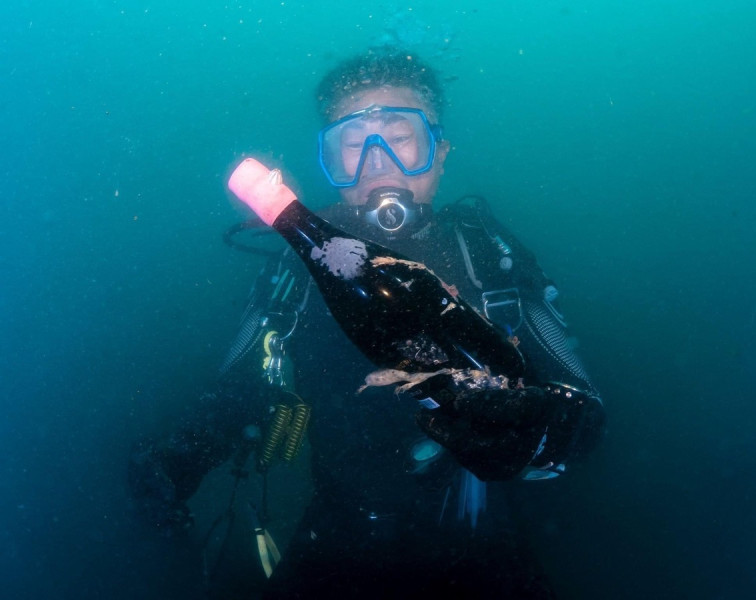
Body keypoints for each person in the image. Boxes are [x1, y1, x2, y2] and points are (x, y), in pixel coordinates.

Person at [129, 49, 605, 599]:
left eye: (401, 137)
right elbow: (238, 387)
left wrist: (550, 431)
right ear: (328, 162)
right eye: (353, 145)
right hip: (341, 535)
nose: (377, 164)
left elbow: (580, 403)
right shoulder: (299, 266)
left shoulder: (487, 254)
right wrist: (180, 455)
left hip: (479, 538)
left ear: (441, 153)